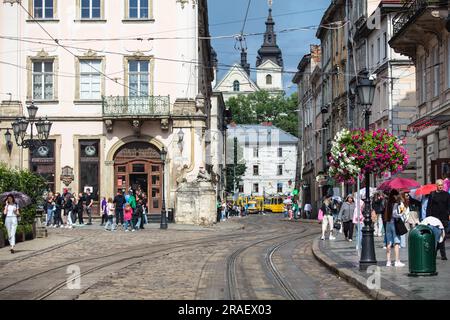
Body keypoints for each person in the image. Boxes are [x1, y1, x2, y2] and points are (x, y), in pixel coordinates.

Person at [426, 179, 450, 260]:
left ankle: (435, 252)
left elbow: (449, 206)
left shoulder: (447, 195)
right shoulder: (432, 194)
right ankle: (443, 255)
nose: (440, 186)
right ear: (436, 185)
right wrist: (428, 218)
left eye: (442, 185)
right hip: (434, 219)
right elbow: (429, 207)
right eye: (439, 185)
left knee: (443, 236)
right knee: (436, 236)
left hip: (444, 219)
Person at [385, 189, 406, 267]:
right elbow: (396, 214)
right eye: (397, 195)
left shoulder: (388, 203)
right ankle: (397, 261)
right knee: (396, 242)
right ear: (394, 195)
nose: (398, 196)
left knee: (389, 242)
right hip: (394, 223)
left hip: (388, 223)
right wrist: (402, 212)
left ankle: (388, 261)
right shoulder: (395, 204)